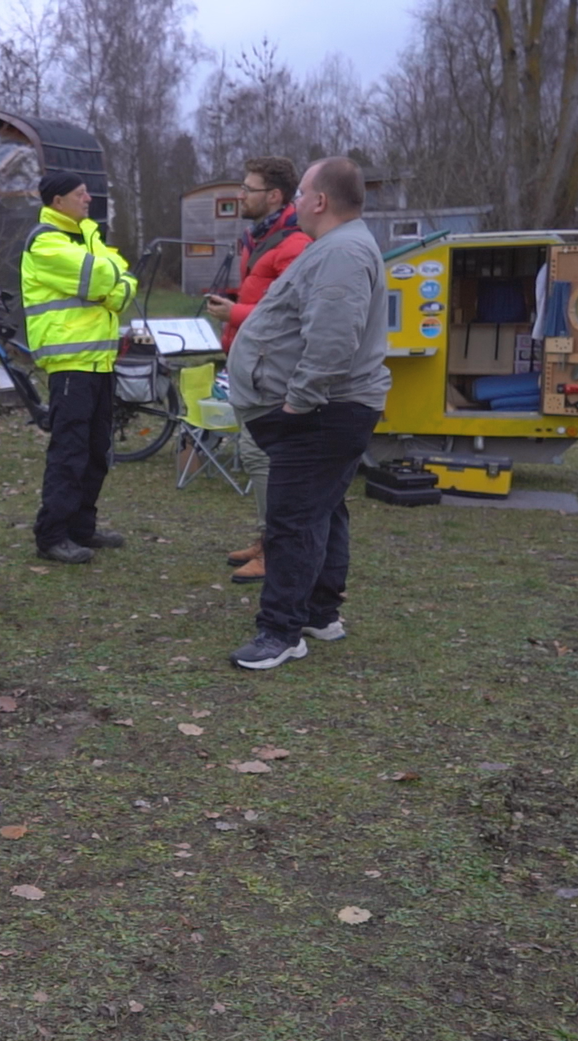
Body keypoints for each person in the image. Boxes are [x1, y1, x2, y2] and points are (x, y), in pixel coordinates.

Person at [223, 157, 390, 671]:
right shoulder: (338, 247)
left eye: (299, 192)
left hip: (322, 410)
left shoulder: (342, 253)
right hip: (328, 409)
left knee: (292, 520)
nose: (293, 201)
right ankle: (320, 613)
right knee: (323, 510)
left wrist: (298, 399)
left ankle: (281, 631)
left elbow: (334, 339)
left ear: (320, 201)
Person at [203, 157, 312, 586]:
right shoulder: (261, 237)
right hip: (252, 360)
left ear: (274, 196)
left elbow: (292, 311)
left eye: (248, 189)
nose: (240, 196)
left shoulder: (293, 243)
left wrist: (236, 313)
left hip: (273, 364)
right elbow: (266, 295)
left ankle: (275, 550)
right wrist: (234, 301)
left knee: (262, 456)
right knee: (256, 454)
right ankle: (269, 538)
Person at [24, 170, 137, 564]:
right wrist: (114, 282)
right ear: (58, 201)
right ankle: (52, 534)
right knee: (69, 452)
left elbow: (123, 281)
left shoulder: (85, 235)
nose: (89, 198)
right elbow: (104, 276)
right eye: (81, 193)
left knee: (95, 450)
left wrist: (115, 282)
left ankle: (81, 529)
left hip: (98, 361)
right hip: (71, 364)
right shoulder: (45, 243)